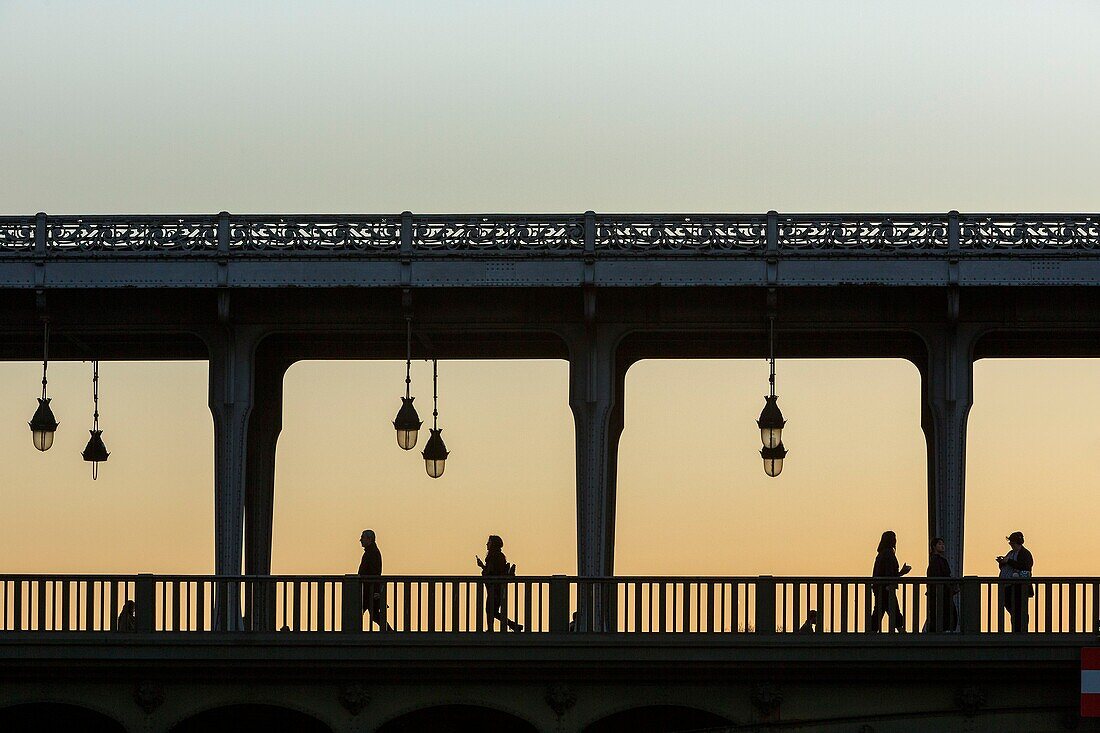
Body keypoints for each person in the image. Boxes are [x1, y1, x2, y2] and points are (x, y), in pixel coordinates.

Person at [476, 535, 522, 632]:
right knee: (493, 611)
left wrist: (483, 568)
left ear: (493, 544)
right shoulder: (498, 556)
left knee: (490, 610)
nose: (487, 544)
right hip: (497, 588)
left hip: (494, 588)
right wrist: (482, 566)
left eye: (489, 542)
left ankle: (492, 629)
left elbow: (491, 573)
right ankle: (513, 625)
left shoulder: (494, 557)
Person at [869, 530, 910, 633]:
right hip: (886, 588)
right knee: (892, 610)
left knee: (879, 610)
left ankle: (871, 632)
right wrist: (901, 573)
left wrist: (900, 573)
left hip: (881, 588)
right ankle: (901, 631)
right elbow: (889, 574)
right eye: (894, 537)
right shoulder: (888, 554)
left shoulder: (882, 554)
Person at [997, 531, 1034, 633]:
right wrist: (1002, 562)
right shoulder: (1010, 553)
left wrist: (1008, 561)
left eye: (1012, 542)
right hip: (1008, 587)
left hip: (1019, 588)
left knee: (1019, 610)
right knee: (1012, 610)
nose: (1010, 545)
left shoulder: (1025, 554)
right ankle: (1016, 630)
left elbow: (1024, 567)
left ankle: (1020, 631)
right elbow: (1005, 567)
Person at [358, 529, 392, 631]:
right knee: (374, 615)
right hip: (369, 589)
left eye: (362, 538)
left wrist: (376, 591)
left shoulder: (372, 553)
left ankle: (390, 632)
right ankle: (390, 632)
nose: (360, 540)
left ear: (370, 539)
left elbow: (374, 573)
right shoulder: (371, 552)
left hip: (370, 589)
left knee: (372, 614)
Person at [925, 537, 958, 632]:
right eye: (939, 544)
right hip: (941, 593)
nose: (942, 546)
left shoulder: (937, 561)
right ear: (934, 547)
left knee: (944, 615)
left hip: (941, 593)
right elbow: (941, 576)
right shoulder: (937, 561)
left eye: (943, 544)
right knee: (949, 615)